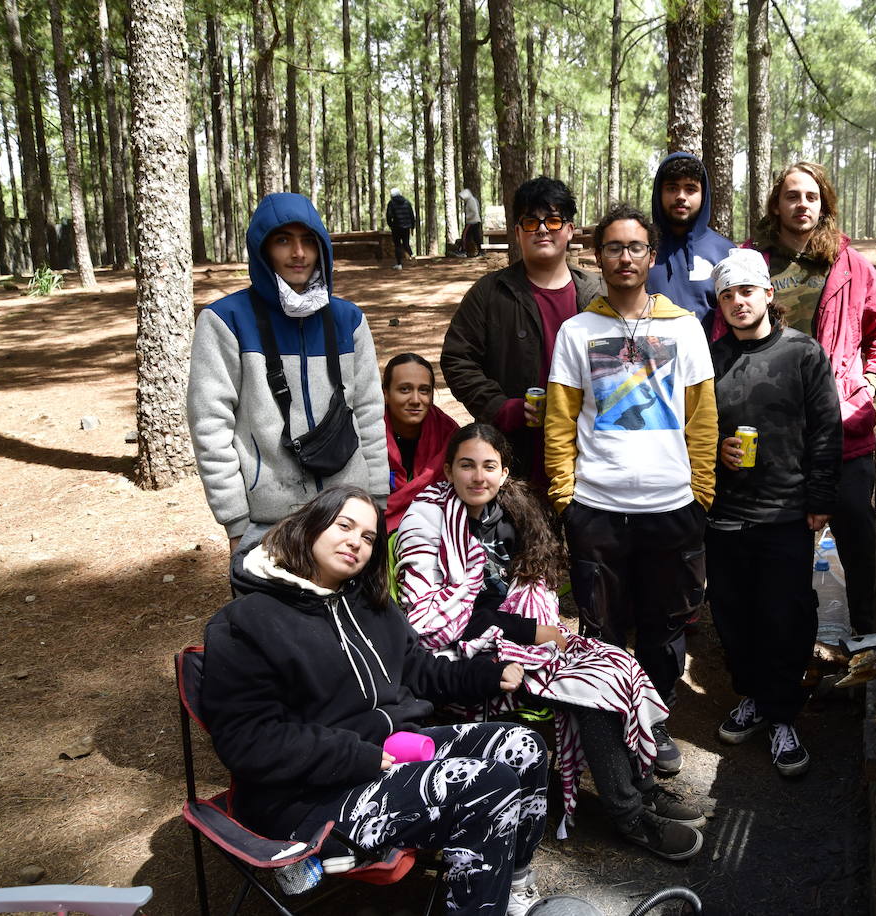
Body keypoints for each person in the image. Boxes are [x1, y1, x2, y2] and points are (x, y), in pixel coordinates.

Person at [200, 485, 547, 915]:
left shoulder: (370, 604)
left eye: (368, 537)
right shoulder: (247, 622)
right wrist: (354, 756)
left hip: (394, 752)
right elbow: (248, 740)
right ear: (307, 526)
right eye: (343, 525)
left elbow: (421, 671)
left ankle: (509, 886)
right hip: (310, 796)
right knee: (487, 785)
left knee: (524, 748)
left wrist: (489, 675)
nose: (356, 542)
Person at [396, 424, 707, 860]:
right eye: (466, 465)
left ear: (504, 474)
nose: (478, 477)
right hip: (456, 657)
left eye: (489, 466)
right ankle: (631, 817)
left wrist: (533, 627)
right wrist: (529, 632)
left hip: (511, 636)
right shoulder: (427, 519)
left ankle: (644, 787)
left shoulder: (512, 512)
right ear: (448, 469)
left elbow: (530, 590)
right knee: (588, 691)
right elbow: (426, 620)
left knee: (614, 663)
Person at [543, 204, 718, 777]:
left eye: (635, 247)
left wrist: (702, 494)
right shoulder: (577, 331)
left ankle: (653, 718)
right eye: (613, 247)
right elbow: (560, 421)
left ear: (650, 256)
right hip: (598, 508)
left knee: (666, 624)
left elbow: (702, 417)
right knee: (603, 625)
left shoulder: (683, 327)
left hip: (672, 508)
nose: (625, 257)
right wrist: (566, 498)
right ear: (598, 256)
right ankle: (613, 725)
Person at [738, 162, 876, 637]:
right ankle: (784, 645)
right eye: (792, 196)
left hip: (841, 424)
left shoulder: (848, 264)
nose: (802, 205)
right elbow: (722, 327)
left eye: (812, 197)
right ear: (776, 204)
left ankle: (869, 639)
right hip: (773, 428)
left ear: (824, 205)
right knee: (781, 548)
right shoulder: (753, 261)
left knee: (857, 536)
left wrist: (870, 379)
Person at [188, 192, 389, 557]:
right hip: (268, 522)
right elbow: (210, 428)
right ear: (263, 248)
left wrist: (375, 502)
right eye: (283, 240)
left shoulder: (349, 320)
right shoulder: (225, 321)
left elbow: (370, 415)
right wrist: (235, 521)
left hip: (349, 515)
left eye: (308, 240)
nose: (298, 253)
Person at [704, 250, 842, 778]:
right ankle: (754, 698)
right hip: (724, 512)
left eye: (746, 291)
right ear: (719, 303)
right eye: (727, 294)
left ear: (767, 294)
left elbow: (826, 430)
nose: (738, 302)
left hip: (785, 510)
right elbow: (690, 426)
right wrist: (716, 448)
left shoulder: (802, 353)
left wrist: (820, 499)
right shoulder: (711, 358)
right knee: (733, 613)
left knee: (784, 614)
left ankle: (783, 714)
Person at [441, 178, 602, 485]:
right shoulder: (490, 293)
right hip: (514, 456)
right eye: (531, 222)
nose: (542, 229)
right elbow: (457, 359)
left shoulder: (598, 295)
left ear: (569, 230)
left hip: (588, 451)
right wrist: (501, 409)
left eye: (553, 220)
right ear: (518, 232)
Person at [647, 152, 734, 329]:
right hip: (650, 354)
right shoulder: (639, 248)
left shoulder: (725, 252)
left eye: (690, 189)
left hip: (713, 356)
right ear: (659, 193)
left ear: (704, 195)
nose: (681, 196)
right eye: (672, 188)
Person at [383, 353, 459, 530]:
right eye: (405, 389)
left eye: (424, 390)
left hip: (436, 526)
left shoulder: (449, 435)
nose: (416, 400)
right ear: (385, 394)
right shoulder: (368, 434)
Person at [385, 188, 417, 269]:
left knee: (397, 245)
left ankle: (399, 264)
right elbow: (411, 215)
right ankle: (412, 255)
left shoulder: (391, 203)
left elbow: (389, 216)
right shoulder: (407, 202)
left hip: (396, 227)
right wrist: (412, 226)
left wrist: (391, 225)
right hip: (406, 227)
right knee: (406, 243)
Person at [460, 188, 484, 257]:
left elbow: (474, 212)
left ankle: (464, 251)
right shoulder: (472, 200)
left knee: (467, 236)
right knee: (473, 237)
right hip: (473, 221)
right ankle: (475, 251)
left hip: (473, 222)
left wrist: (468, 217)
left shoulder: (471, 201)